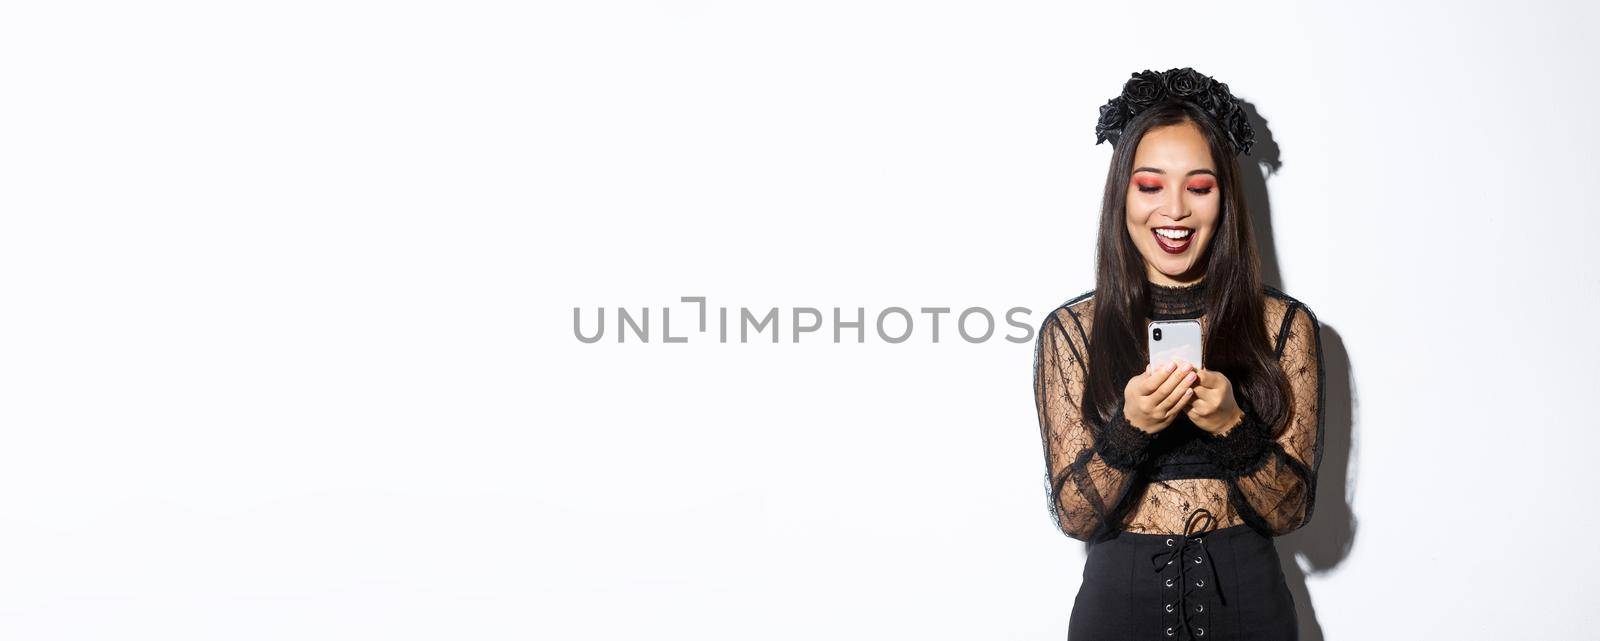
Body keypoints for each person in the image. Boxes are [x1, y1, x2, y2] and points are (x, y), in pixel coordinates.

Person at [1033, 68, 1325, 640]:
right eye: (1150, 185)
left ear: (1225, 198)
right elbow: (1075, 515)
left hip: (1250, 606)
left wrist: (1232, 427)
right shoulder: (1072, 331)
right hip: (1120, 608)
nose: (1174, 210)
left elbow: (1289, 514)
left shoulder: (1284, 325)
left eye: (1198, 186)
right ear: (1123, 195)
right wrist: (1131, 428)